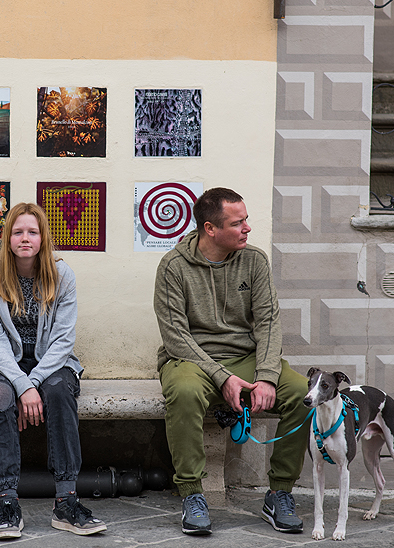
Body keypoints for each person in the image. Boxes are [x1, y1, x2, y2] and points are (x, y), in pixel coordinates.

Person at [154, 187, 309, 536]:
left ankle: (279, 492)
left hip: (246, 358)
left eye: (246, 220)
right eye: (238, 223)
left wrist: (266, 376)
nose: (247, 228)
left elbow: (268, 323)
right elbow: (175, 336)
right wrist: (222, 377)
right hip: (191, 360)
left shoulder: (254, 261)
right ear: (210, 229)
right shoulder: (173, 267)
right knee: (184, 393)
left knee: (302, 394)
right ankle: (192, 494)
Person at [0, 202, 106, 540]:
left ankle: (66, 501)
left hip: (51, 363)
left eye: (32, 232)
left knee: (59, 392)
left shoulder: (62, 276)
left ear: (43, 237)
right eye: (18, 232)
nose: (25, 238)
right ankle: (8, 503)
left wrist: (30, 384)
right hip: (3, 364)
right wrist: (21, 385)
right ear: (7, 238)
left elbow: (63, 341)